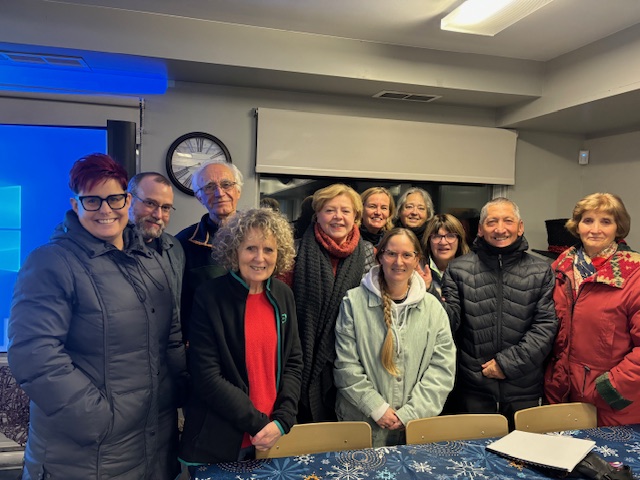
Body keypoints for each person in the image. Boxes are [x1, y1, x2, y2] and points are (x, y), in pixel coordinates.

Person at [8, 153, 187, 480]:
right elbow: (34, 355)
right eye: (92, 200)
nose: (105, 210)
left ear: (127, 200)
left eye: (114, 199)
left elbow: (171, 340)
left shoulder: (152, 262)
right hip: (86, 455)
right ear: (75, 205)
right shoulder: (51, 262)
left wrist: (188, 395)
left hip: (153, 446)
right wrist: (99, 420)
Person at [179, 208, 302, 466]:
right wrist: (258, 424)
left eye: (268, 249)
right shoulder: (209, 296)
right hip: (219, 440)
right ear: (234, 250)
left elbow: (293, 361)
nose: (260, 258)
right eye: (250, 248)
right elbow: (207, 376)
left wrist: (283, 419)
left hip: (273, 436)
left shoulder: (283, 295)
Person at [441, 197, 557, 428]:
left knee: (524, 449)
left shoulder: (541, 270)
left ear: (520, 227)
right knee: (472, 450)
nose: (500, 229)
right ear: (480, 229)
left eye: (508, 221)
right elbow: (448, 326)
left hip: (523, 389)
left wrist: (506, 365)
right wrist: (427, 295)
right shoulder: (458, 269)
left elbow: (545, 326)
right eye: (492, 222)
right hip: (473, 389)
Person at [334, 228, 456, 447]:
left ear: (417, 260)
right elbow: (345, 365)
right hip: (363, 424)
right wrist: (377, 408)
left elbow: (442, 369)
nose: (399, 262)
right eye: (391, 254)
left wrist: (410, 413)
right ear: (380, 256)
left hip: (415, 427)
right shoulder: (353, 302)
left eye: (407, 255)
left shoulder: (433, 309)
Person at [544, 193, 640, 426]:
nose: (595, 229)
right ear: (577, 226)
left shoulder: (635, 274)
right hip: (561, 394)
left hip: (610, 403)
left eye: (606, 221)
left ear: (618, 227)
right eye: (588, 221)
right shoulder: (560, 269)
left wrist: (609, 388)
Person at [291, 183, 375, 423]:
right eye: (330, 210)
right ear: (317, 214)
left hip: (350, 358)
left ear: (355, 217)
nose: (338, 217)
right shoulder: (296, 250)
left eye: (345, 211)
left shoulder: (368, 252)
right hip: (302, 352)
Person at [128, 171, 188, 477]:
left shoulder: (174, 249)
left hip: (165, 383)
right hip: (126, 386)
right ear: (129, 200)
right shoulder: (113, 248)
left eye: (165, 207)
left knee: (163, 467)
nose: (158, 214)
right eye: (150, 203)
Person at [175, 159, 243, 343]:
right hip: (206, 344)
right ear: (199, 197)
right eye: (210, 187)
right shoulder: (183, 243)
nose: (220, 193)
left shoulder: (260, 237)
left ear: (238, 191)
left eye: (226, 184)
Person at [422, 214, 470, 295]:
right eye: (436, 236)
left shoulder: (472, 271)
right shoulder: (419, 271)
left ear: (459, 240)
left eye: (450, 236)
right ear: (428, 241)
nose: (443, 242)